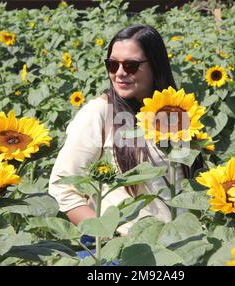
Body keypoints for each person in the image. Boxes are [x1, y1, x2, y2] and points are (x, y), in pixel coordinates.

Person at [49, 24, 203, 236]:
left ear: (155, 65)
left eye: (131, 65)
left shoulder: (178, 110)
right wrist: (110, 237)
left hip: (183, 243)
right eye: (112, 65)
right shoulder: (99, 112)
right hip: (128, 250)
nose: (119, 73)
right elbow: (62, 188)